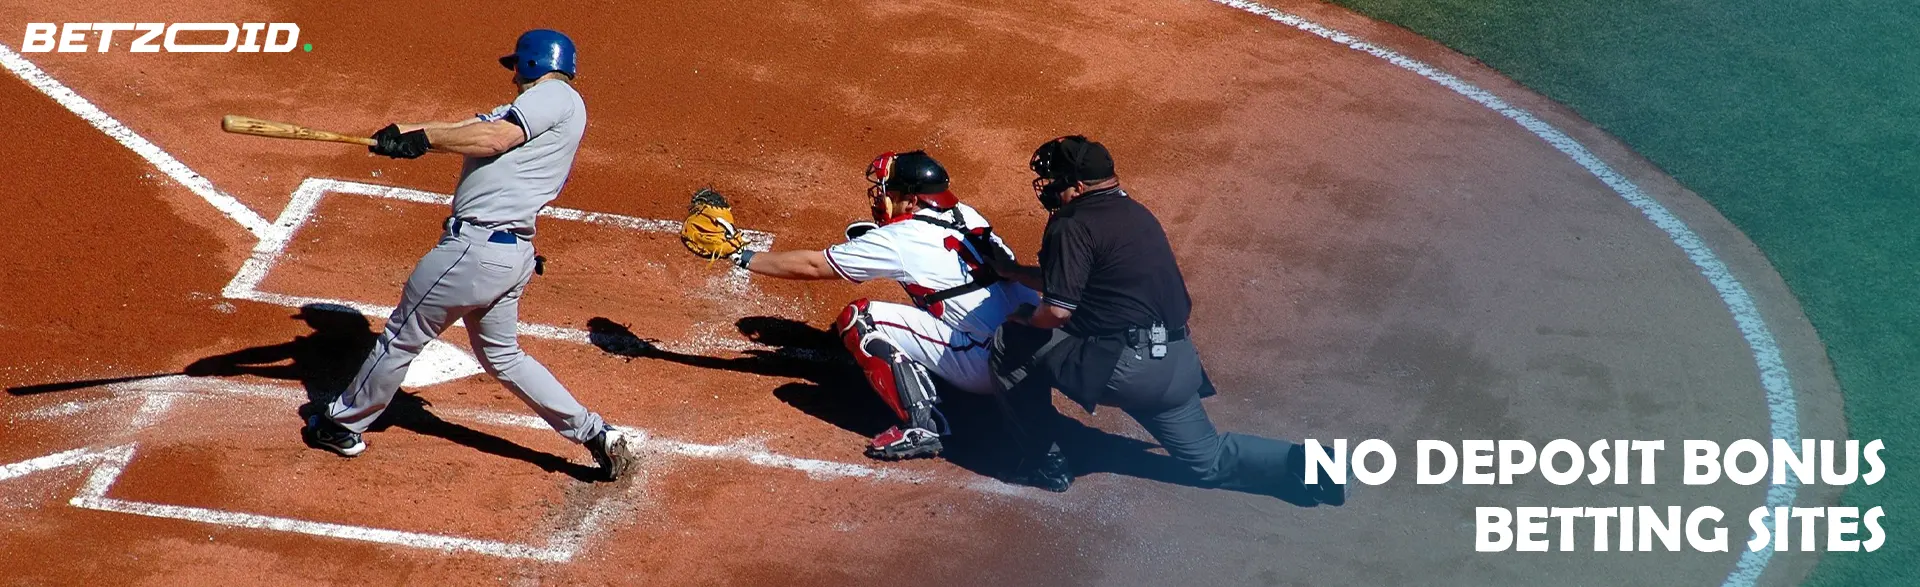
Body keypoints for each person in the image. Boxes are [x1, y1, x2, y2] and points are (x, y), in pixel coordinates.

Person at [302, 30, 634, 482]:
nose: (514, 76)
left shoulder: (554, 96)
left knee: (402, 336)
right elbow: (473, 131)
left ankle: (342, 425)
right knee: (504, 357)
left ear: (534, 64)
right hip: (508, 255)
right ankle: (596, 434)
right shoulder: (544, 110)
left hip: (473, 252)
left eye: (518, 66)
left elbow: (493, 138)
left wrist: (420, 137)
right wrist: (409, 135)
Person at [988, 135, 1344, 504]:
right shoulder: (1137, 215)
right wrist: (1014, 273)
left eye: (1057, 180)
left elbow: (1059, 308)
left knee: (1011, 340)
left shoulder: (1072, 224)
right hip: (1176, 366)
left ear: (1077, 187)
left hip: (1126, 370)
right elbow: (1077, 280)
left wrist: (1031, 320)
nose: (1051, 188)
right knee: (1209, 458)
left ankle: (1044, 463)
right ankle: (1316, 464)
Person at [722, 151, 1039, 459]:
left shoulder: (898, 239)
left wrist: (741, 255)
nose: (879, 197)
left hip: (988, 366)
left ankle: (926, 426)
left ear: (912, 200)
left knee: (860, 320)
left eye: (890, 191)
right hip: (1035, 348)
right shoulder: (967, 215)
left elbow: (813, 266)